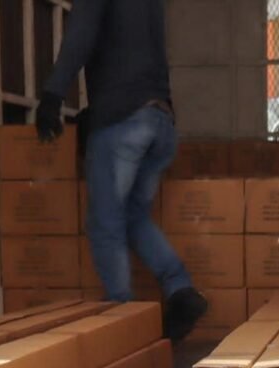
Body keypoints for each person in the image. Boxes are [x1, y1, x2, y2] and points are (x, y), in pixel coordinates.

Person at [35, 0, 207, 340]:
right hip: (160, 121)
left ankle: (121, 313)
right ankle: (181, 291)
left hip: (123, 122)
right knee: (132, 217)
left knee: (105, 224)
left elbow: (81, 33)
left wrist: (53, 95)